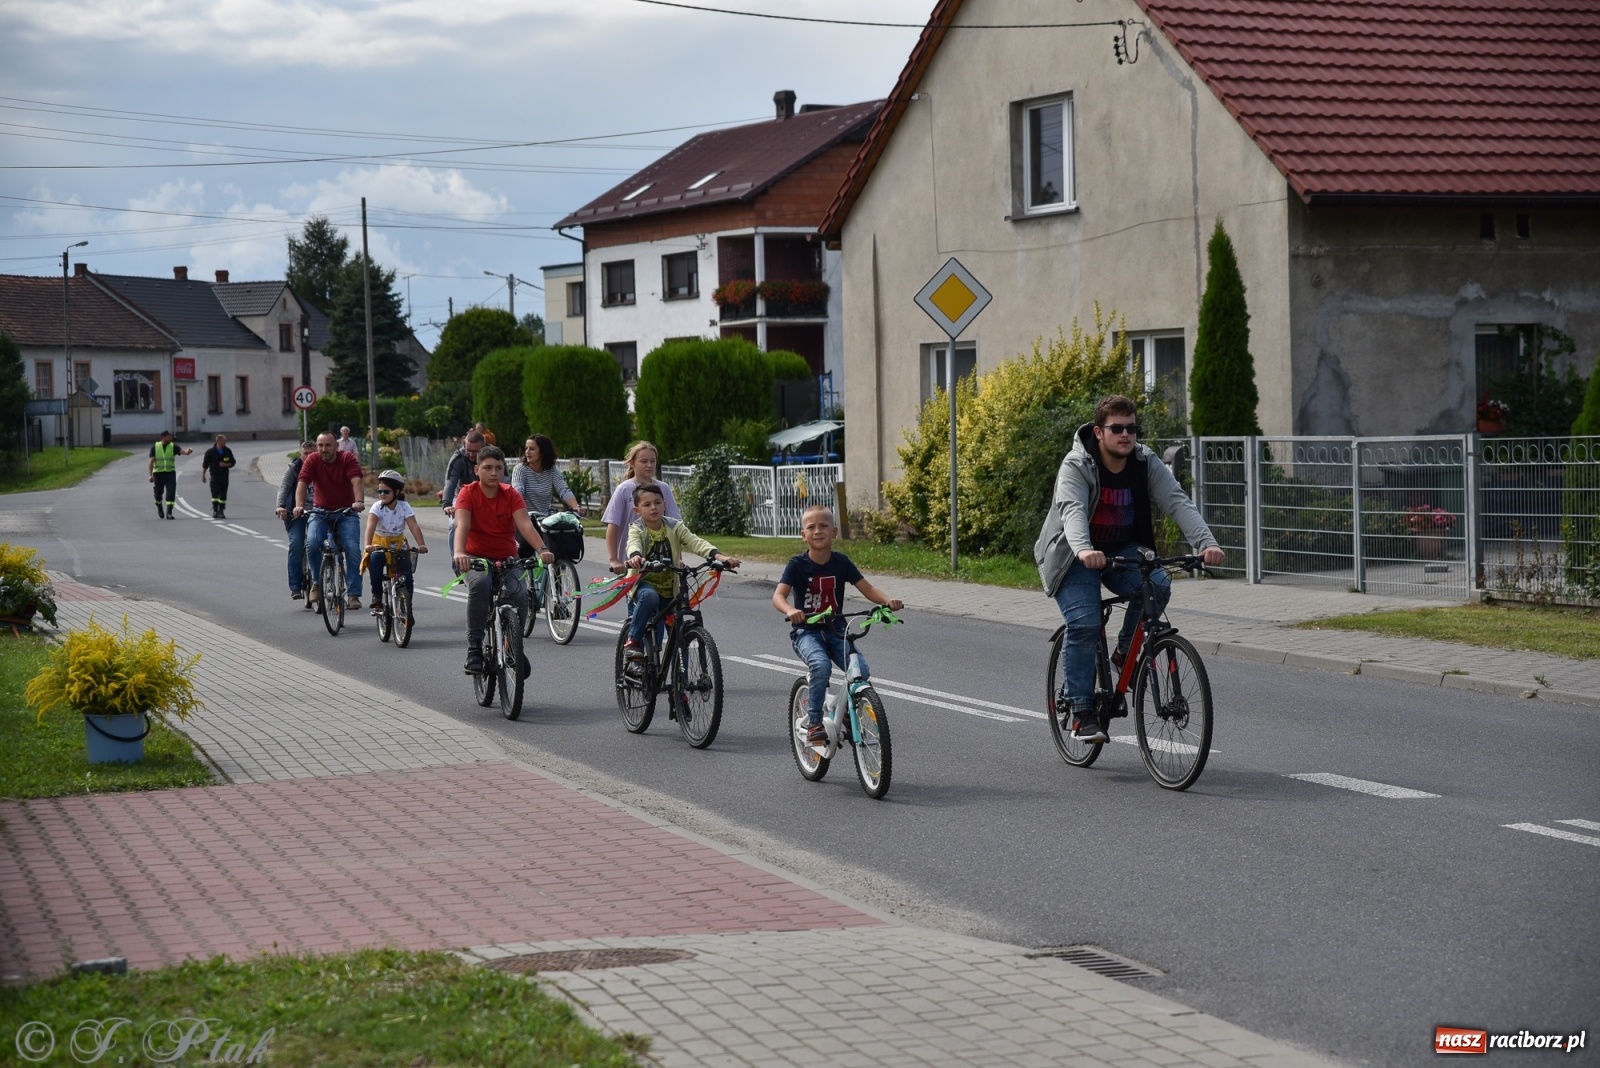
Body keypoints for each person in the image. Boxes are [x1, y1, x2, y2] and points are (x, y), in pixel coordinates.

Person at [1035, 395, 1225, 743]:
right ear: (1099, 431)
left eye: (1132, 428)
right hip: (1074, 556)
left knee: (1159, 585)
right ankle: (1081, 712)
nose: (1126, 435)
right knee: (1085, 623)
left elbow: (1176, 501)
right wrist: (1083, 550)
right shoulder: (1077, 465)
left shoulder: (1144, 461)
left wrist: (1205, 543)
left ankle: (1124, 654)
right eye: (1117, 428)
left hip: (1121, 550)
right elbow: (1072, 510)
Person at [773, 503, 902, 746]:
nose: (818, 531)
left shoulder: (841, 563)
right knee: (820, 666)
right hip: (806, 632)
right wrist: (791, 610)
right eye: (811, 527)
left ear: (834, 532)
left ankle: (846, 712)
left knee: (859, 670)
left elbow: (867, 588)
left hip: (836, 630)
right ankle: (814, 724)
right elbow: (778, 596)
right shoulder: (797, 565)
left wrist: (887, 601)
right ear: (804, 535)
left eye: (824, 526)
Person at [452, 445, 555, 675]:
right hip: (474, 558)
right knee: (481, 584)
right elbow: (462, 525)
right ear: (477, 469)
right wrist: (459, 552)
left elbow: (525, 524)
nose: (493, 472)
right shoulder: (468, 493)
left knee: (519, 592)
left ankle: (513, 646)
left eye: (498, 468)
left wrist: (541, 548)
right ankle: (474, 649)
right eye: (487, 468)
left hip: (507, 558)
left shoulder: (511, 494)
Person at [622, 483, 740, 664]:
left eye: (657, 502)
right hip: (644, 582)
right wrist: (636, 557)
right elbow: (633, 544)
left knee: (679, 637)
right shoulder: (637, 528)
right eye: (647, 505)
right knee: (650, 596)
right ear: (637, 510)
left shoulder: (674, 526)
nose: (653, 507)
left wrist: (720, 557)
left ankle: (680, 688)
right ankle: (633, 640)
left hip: (670, 588)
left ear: (664, 505)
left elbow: (695, 542)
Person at [293, 431, 366, 611]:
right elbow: (302, 483)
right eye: (320, 446)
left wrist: (359, 502)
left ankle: (353, 594)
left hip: (346, 512)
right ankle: (316, 584)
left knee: (352, 548)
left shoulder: (347, 458)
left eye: (328, 445)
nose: (323, 449)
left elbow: (356, 481)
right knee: (312, 542)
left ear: (336, 446)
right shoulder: (313, 460)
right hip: (320, 512)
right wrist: (299, 505)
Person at [603, 441, 680, 573]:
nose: (649, 465)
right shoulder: (624, 489)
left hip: (661, 558)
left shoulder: (663, 488)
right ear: (632, 463)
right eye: (644, 461)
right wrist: (614, 559)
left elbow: (675, 526)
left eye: (653, 461)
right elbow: (612, 525)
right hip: (631, 559)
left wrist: (678, 559)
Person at [363, 470, 428, 615]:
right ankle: (377, 596)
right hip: (379, 543)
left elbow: (413, 526)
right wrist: (368, 545)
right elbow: (370, 527)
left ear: (396, 492)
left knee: (407, 573)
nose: (382, 494)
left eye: (386, 491)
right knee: (376, 559)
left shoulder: (404, 506)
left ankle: (406, 605)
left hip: (398, 544)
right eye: (380, 491)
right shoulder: (376, 507)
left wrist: (421, 544)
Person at [275, 440, 317, 599]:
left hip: (319, 512)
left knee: (325, 543)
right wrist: (280, 506)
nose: (308, 456)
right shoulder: (294, 468)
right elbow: (284, 488)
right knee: (296, 544)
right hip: (296, 513)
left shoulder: (322, 466)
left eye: (312, 453)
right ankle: (296, 586)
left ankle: (323, 578)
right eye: (305, 453)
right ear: (301, 454)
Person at [441, 430, 485, 574]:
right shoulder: (458, 458)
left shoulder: (492, 455)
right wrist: (447, 504)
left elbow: (504, 480)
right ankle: (457, 563)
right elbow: (450, 482)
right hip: (462, 496)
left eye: (476, 451)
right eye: (468, 450)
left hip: (488, 496)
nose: (471, 454)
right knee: (454, 525)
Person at [147, 430, 193, 520]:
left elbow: (183, 452)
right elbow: (151, 462)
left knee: (171, 493)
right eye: (168, 437)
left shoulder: (173, 446)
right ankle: (159, 506)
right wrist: (150, 475)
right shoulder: (155, 447)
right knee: (158, 494)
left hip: (170, 473)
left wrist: (189, 451)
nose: (170, 438)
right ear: (163, 437)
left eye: (170, 436)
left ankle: (169, 512)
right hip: (158, 474)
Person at [200, 433, 237, 519]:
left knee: (223, 494)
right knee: (215, 494)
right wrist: (203, 475)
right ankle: (215, 510)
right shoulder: (210, 452)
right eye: (224, 440)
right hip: (214, 476)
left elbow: (233, 462)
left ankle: (221, 511)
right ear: (219, 441)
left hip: (224, 476)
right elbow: (205, 464)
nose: (226, 441)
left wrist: (226, 464)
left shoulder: (227, 451)